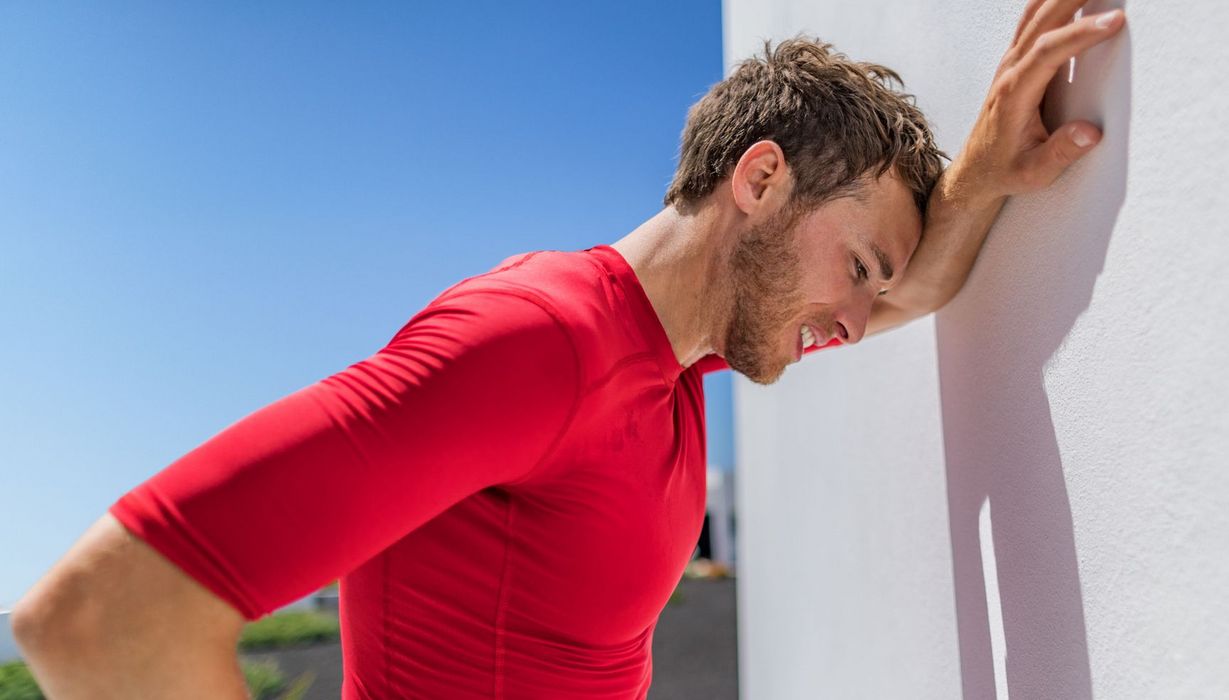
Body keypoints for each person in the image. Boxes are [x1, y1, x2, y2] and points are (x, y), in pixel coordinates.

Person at [11, 3, 1125, 698]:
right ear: (761, 179)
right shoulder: (540, 344)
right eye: (856, 267)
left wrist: (978, 178)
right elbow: (98, 619)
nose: (852, 316)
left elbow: (914, 289)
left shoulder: (677, 363)